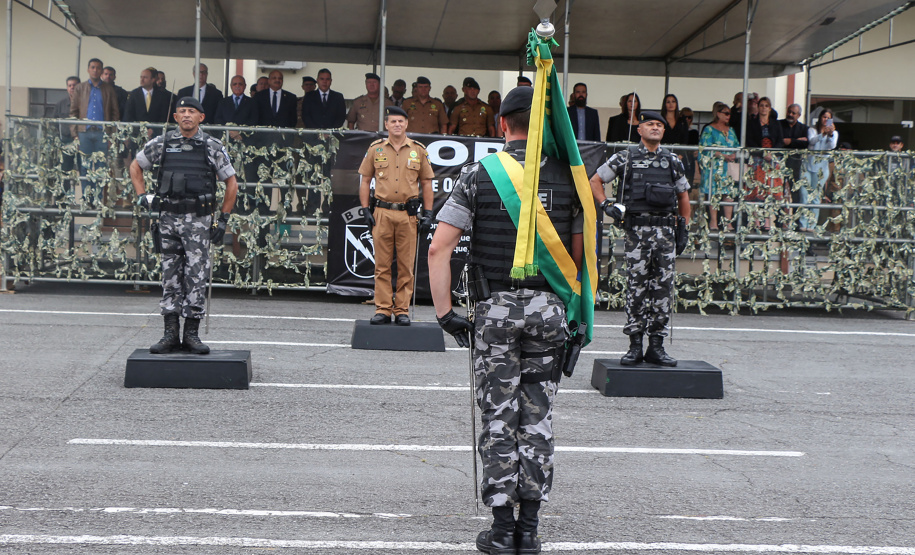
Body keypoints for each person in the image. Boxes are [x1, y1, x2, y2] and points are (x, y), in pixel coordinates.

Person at [430, 86, 586, 555]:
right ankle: (530, 529)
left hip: (494, 311)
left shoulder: (478, 174)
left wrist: (445, 315)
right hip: (549, 312)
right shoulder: (569, 178)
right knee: (537, 417)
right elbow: (579, 262)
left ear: (502, 125)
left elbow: (439, 247)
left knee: (499, 417)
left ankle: (501, 530)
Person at [129, 97, 238, 355]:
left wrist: (223, 220)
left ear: (201, 117)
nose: (186, 115)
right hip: (167, 219)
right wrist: (143, 196)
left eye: (192, 111)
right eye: (182, 111)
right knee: (170, 277)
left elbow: (231, 183)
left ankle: (191, 334)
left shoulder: (211, 146)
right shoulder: (163, 143)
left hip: (198, 221)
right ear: (176, 117)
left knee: (196, 276)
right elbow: (136, 166)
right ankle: (169, 333)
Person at [590, 111, 691, 367]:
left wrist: (684, 228)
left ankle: (656, 346)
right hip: (637, 233)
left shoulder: (672, 160)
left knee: (663, 290)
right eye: (650, 124)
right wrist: (606, 205)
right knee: (636, 289)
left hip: (666, 234)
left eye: (660, 125)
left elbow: (683, 197)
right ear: (639, 129)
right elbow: (595, 180)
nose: (655, 128)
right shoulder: (625, 157)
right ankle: (635, 345)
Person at [358, 106, 434, 326]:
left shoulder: (418, 150)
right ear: (386, 125)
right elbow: (364, 180)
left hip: (407, 215)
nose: (397, 125)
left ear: (407, 124)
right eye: (393, 121)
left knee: (405, 266)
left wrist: (428, 213)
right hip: (382, 212)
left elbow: (427, 183)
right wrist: (365, 209)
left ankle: (401, 310)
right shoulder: (376, 149)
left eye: (401, 121)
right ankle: (383, 309)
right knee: (381, 265)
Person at [69, 58, 120, 197]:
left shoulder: (108, 89)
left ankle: (98, 200)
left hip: (102, 134)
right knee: (84, 167)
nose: (95, 70)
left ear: (101, 70)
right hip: (83, 133)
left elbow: (115, 114)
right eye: (92, 67)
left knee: (100, 168)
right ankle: (87, 199)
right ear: (88, 69)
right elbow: (73, 112)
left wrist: (112, 136)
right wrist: (75, 135)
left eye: (98, 68)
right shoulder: (80, 88)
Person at [699, 101, 739, 231]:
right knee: (714, 194)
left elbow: (737, 145)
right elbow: (705, 148)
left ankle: (728, 222)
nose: (728, 116)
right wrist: (721, 155)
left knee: (728, 195)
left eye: (729, 114)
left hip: (728, 167)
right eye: (726, 113)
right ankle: (714, 221)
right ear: (718, 113)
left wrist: (734, 155)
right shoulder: (709, 129)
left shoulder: (731, 130)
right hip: (714, 166)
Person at [801, 109, 838, 232]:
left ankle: (811, 224)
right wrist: (822, 134)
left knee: (816, 196)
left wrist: (830, 134)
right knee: (804, 194)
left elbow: (832, 146)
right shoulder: (812, 130)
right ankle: (803, 223)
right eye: (824, 117)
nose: (825, 120)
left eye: (828, 118)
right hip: (808, 165)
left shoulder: (835, 133)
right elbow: (812, 141)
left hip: (822, 168)